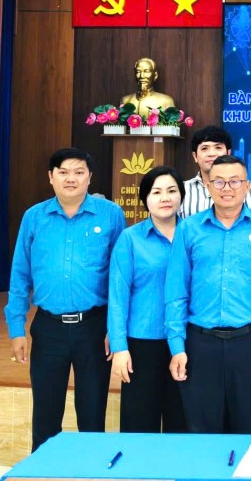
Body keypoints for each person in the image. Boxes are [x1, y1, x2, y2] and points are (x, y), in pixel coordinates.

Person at [4, 148, 126, 450]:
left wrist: (115, 328)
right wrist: (16, 328)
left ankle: (90, 472)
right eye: (63, 172)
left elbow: (120, 277)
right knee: (45, 414)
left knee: (92, 413)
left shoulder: (111, 215)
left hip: (94, 329)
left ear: (90, 177)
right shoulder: (34, 217)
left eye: (79, 172)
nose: (71, 178)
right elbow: (20, 274)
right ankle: (43, 472)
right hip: (48, 328)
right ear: (51, 177)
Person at [165, 155, 251, 433]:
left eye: (235, 181)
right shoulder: (189, 229)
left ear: (247, 185)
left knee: (249, 426)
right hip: (200, 344)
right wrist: (177, 347)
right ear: (207, 184)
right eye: (219, 181)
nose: (227, 187)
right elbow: (176, 291)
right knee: (202, 429)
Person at [108, 166, 187, 433]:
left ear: (181, 196)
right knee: (139, 424)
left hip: (188, 342)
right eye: (157, 192)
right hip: (142, 344)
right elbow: (118, 297)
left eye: (172, 191)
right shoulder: (130, 239)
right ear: (145, 199)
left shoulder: (194, 234)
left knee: (182, 421)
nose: (165, 198)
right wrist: (119, 348)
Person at [180, 125, 251, 218]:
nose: (211, 154)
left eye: (218, 148)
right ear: (195, 156)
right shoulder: (183, 189)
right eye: (204, 148)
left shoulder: (244, 186)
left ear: (228, 153)